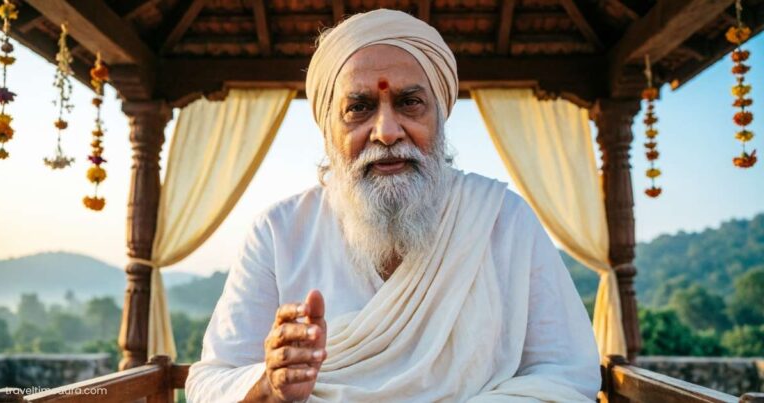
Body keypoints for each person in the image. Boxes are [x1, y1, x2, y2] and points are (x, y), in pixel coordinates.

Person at [185, 8, 600, 403]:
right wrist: (270, 385)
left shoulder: (503, 220)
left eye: (409, 103)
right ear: (327, 128)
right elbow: (210, 382)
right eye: (359, 108)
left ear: (440, 117)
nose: (385, 132)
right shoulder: (279, 232)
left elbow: (565, 374)